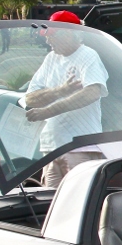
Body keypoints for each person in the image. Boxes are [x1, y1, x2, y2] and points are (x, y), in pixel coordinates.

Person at [24, 10, 109, 187]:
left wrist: (48, 110)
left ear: (70, 33)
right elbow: (30, 98)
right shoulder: (50, 59)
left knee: (78, 201)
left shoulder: (88, 55)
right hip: (52, 146)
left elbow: (92, 93)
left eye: (52, 35)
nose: (48, 40)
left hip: (80, 146)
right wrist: (60, 91)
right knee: (50, 205)